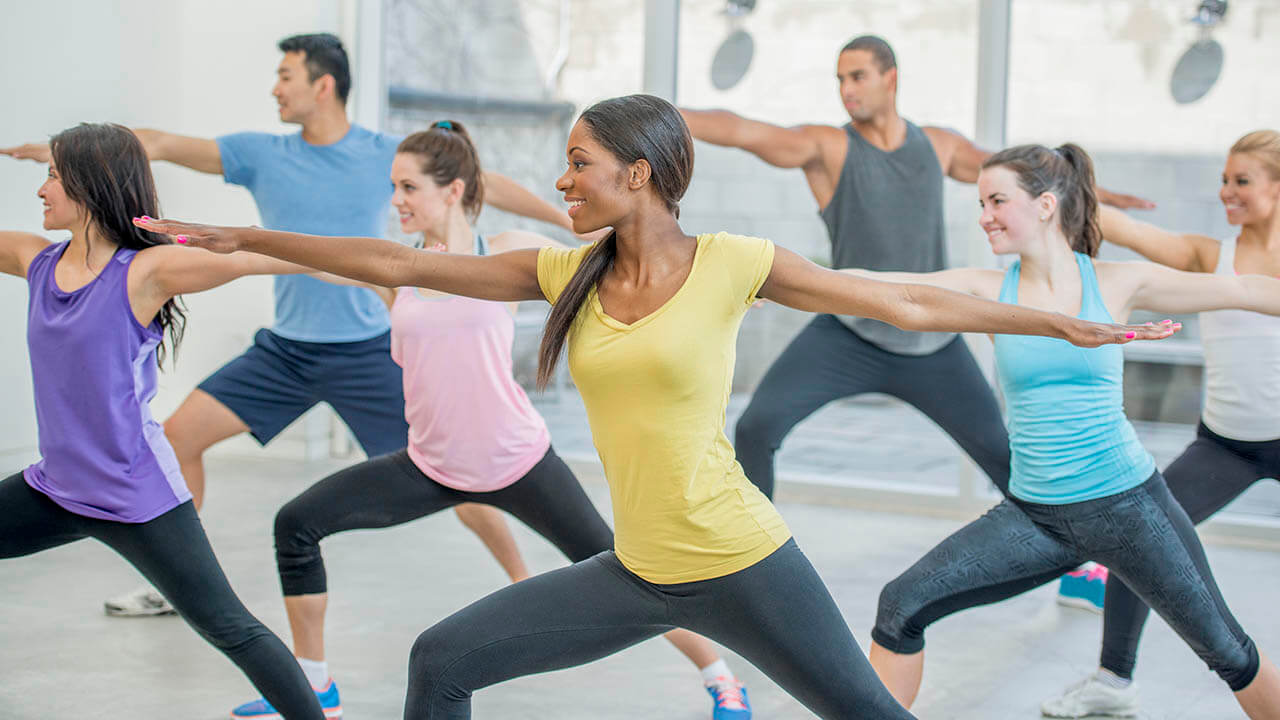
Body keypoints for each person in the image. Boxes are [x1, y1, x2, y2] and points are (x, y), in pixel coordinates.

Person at [136, 94, 1174, 720]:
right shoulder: (563, 270)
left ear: (637, 175)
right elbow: (384, 258)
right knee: (440, 659)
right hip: (638, 570)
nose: (560, 179)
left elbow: (897, 296)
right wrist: (251, 242)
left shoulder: (733, 262)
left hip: (744, 563)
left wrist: (1057, 325)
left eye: (578, 165)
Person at [2, 32, 577, 616]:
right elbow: (160, 143)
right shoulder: (262, 153)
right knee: (180, 437)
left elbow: (480, 180)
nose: (275, 87)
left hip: (365, 351)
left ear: (322, 85)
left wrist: (563, 219)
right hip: (286, 353)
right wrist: (68, 161)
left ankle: (517, 578)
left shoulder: (384, 151)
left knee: (457, 467)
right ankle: (177, 583)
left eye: (285, 76)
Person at [229, 120, 752, 720]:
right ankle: (315, 686)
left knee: (635, 571)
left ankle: (719, 676)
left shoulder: (503, 252)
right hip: (432, 465)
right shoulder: (397, 270)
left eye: (408, 187)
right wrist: (234, 243)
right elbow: (311, 258)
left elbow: (607, 261)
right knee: (296, 524)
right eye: (392, 187)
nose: (394, 200)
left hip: (518, 461)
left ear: (453, 191)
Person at [854, 142, 1280, 718]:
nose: (984, 216)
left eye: (997, 200)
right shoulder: (987, 288)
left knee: (1229, 652)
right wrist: (774, 279)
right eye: (981, 202)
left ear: (1047, 205)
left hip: (1131, 509)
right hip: (1034, 515)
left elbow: (1245, 290)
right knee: (900, 606)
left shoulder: (1118, 283)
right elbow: (893, 288)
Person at [680, 35, 1153, 504]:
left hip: (933, 341)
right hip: (848, 334)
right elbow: (744, 130)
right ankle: (754, 549)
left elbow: (1029, 179)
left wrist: (1101, 194)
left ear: (891, 79)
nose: (847, 88)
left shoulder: (938, 146)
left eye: (858, 76)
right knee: (757, 426)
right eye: (841, 79)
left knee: (1006, 460)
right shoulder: (829, 147)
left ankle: (1069, 539)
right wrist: (663, 115)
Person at [0, 123, 327, 719]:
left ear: (87, 184)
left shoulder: (144, 273)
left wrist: (385, 266)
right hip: (56, 488)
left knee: (231, 628)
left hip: (137, 496)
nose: (41, 191)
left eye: (50, 175)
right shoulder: (35, 260)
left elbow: (260, 259)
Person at [1040, 129, 1280, 718]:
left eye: (1241, 181)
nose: (1226, 191)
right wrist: (1062, 182)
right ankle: (1113, 682)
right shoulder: (1209, 255)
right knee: (1137, 535)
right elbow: (1128, 230)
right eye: (1224, 178)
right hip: (1228, 446)